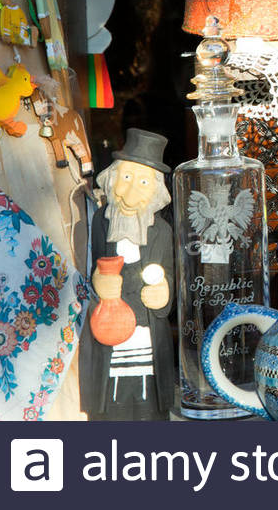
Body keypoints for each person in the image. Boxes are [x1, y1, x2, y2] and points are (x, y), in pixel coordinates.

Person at [81, 129, 174, 420]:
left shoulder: (162, 230)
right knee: (112, 400)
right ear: (112, 177)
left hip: (147, 331)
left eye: (143, 182)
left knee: (148, 400)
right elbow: (92, 262)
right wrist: (100, 282)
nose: (131, 192)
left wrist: (164, 292)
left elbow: (170, 271)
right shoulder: (100, 222)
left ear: (156, 189)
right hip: (110, 328)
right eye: (127, 178)